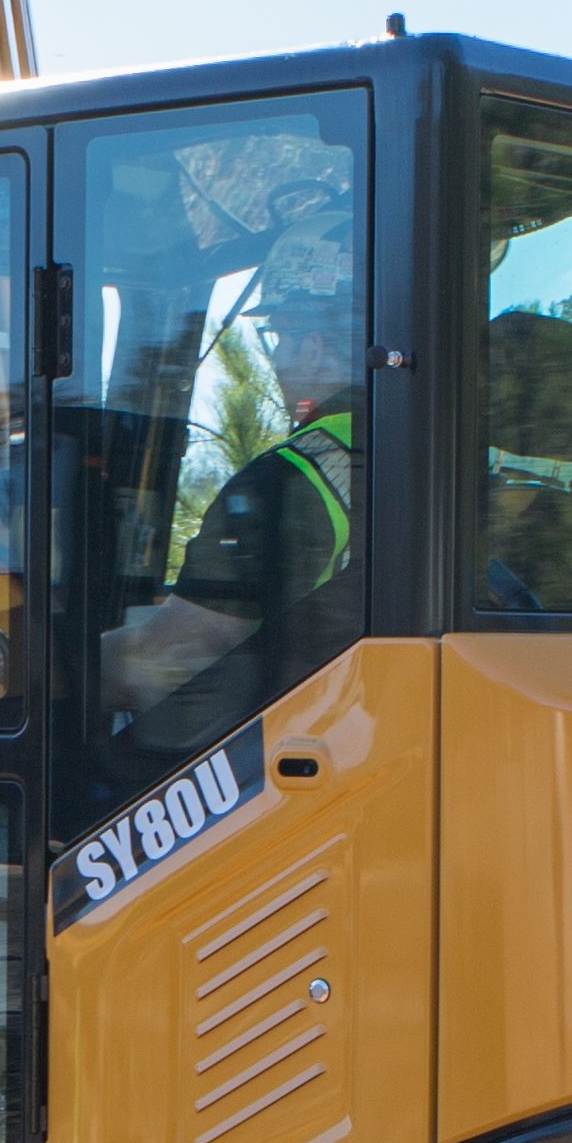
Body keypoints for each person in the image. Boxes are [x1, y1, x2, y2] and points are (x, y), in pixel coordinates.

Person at [98, 213, 364, 751]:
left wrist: (23, 670)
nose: (276, 359)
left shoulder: (291, 481)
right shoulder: (444, 464)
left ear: (313, 346)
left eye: (278, 337)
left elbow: (163, 661)